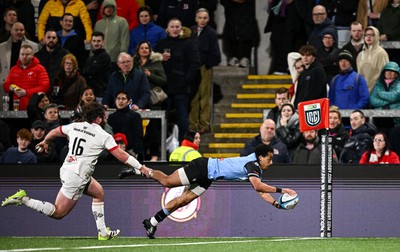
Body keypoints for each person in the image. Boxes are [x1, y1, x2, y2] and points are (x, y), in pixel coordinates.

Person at [1, 102, 148, 240]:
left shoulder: (74, 126)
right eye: (104, 116)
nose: (105, 119)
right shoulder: (103, 135)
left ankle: (103, 232)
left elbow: (55, 131)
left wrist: (46, 141)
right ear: (97, 119)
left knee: (98, 192)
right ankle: (24, 199)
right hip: (78, 176)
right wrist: (141, 167)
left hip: (67, 169)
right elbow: (121, 155)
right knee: (58, 212)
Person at [139, 144, 297, 239]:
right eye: (269, 159)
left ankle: (152, 222)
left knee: (183, 201)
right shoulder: (252, 164)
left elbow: (261, 191)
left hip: (208, 176)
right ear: (260, 157)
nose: (271, 162)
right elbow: (258, 187)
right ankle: (141, 169)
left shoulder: (255, 167)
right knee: (167, 181)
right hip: (202, 167)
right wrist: (282, 190)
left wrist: (276, 203)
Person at [154, 18, 201, 142]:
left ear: (181, 29)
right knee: (162, 118)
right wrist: (160, 58)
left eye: (177, 27)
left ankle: (184, 144)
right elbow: (152, 62)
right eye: (172, 27)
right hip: (164, 88)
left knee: (183, 118)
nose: (175, 29)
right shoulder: (161, 44)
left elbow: (195, 63)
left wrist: (186, 80)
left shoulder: (188, 43)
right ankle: (160, 147)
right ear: (167, 29)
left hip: (181, 87)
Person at [133, 41, 167, 161]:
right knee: (138, 128)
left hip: (153, 101)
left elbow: (163, 80)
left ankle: (154, 155)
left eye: (146, 48)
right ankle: (140, 153)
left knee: (153, 130)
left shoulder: (155, 63)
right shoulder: (134, 63)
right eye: (142, 48)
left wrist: (150, 74)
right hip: (139, 100)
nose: (144, 50)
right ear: (138, 50)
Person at [189, 8, 221, 133]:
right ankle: (193, 125)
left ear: (208, 19)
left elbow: (216, 55)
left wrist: (207, 64)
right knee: (193, 97)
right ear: (196, 18)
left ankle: (204, 125)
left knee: (204, 97)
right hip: (192, 67)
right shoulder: (190, 31)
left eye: (205, 18)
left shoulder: (211, 33)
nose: (202, 20)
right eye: (200, 18)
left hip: (204, 68)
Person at [3, 44, 50, 111]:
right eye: (22, 54)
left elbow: (45, 87)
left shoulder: (40, 69)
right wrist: (12, 87)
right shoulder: (14, 69)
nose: (24, 57)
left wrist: (26, 92)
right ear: (19, 56)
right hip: (16, 108)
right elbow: (6, 86)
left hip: (34, 108)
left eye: (27, 54)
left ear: (32, 56)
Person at [0, 22, 38, 99]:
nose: (19, 32)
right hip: (5, 85)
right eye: (16, 30)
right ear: (11, 31)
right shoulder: (1, 47)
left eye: (21, 30)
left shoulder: (33, 46)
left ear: (24, 32)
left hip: (24, 85)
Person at [107, 91, 144, 162]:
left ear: (128, 101)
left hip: (131, 152)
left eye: (123, 99)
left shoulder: (135, 116)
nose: (120, 101)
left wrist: (136, 153)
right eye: (118, 98)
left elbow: (138, 136)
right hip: (114, 152)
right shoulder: (111, 117)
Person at [221, 0, 259, 68]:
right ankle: (234, 57)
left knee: (246, 32)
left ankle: (246, 58)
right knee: (233, 32)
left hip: (246, 11)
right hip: (232, 11)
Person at [94, 0, 130, 67]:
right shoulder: (98, 24)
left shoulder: (122, 21)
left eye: (111, 7)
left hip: (115, 61)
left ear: (114, 8)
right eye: (106, 7)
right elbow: (93, 42)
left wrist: (122, 59)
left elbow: (124, 42)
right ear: (103, 9)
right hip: (100, 60)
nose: (109, 9)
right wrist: (92, 57)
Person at [356, 26, 389, 92]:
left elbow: (385, 74)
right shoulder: (360, 54)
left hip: (377, 92)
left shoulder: (381, 53)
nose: (368, 37)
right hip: (362, 92)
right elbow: (359, 74)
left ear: (376, 36)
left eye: (372, 35)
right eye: (366, 35)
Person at [369, 61, 400, 131]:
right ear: (384, 72)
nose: (389, 73)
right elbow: (373, 100)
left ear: (397, 74)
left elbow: (395, 96)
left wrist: (380, 94)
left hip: (395, 119)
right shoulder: (378, 83)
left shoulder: (399, 84)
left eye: (392, 71)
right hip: (379, 118)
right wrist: (390, 103)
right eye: (388, 71)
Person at [81, 31, 111, 100]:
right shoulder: (91, 58)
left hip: (100, 93)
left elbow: (89, 71)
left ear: (103, 42)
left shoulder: (105, 57)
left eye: (98, 41)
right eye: (94, 41)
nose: (96, 43)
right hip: (90, 94)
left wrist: (86, 71)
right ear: (91, 42)